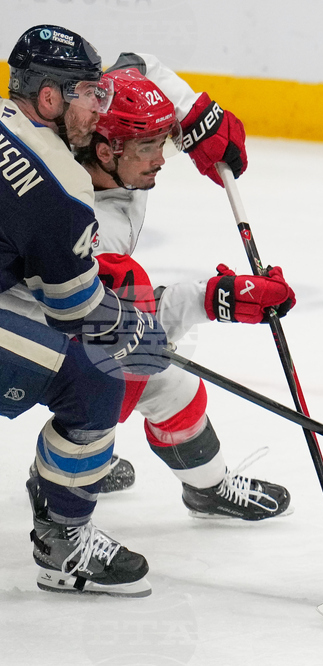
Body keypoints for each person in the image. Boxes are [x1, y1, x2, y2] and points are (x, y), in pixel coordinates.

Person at [16, 63, 296, 520]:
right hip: (25, 322)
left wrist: (196, 116)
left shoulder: (85, 125)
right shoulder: (83, 221)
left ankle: (205, 488)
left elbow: (136, 65)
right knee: (152, 380)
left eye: (163, 141)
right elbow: (119, 326)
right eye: (149, 146)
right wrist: (215, 298)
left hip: (55, 298)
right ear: (106, 151)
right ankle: (58, 477)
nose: (162, 158)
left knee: (169, 386)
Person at [1, 25, 171, 597]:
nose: (100, 107)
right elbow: (75, 310)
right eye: (88, 93)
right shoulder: (61, 185)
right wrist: (134, 329)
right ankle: (64, 546)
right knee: (95, 377)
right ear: (49, 98)